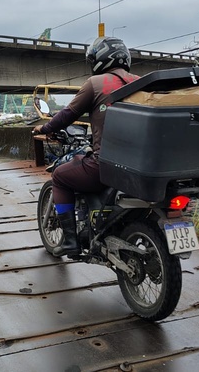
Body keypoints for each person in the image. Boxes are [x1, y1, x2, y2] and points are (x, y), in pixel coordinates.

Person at [31, 37, 138, 257]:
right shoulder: (141, 82)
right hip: (140, 166)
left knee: (60, 176)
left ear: (99, 60)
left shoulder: (96, 83)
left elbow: (67, 115)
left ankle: (70, 241)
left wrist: (44, 129)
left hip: (107, 166)